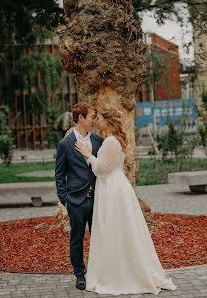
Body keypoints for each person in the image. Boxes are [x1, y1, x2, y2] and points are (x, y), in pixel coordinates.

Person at [75, 105, 177, 296]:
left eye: (100, 118)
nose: (97, 121)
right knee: (120, 229)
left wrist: (88, 154)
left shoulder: (111, 142)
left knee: (114, 230)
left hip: (112, 189)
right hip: (114, 187)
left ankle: (119, 274)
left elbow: (102, 169)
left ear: (108, 120)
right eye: (95, 118)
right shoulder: (112, 140)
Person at [55, 102, 103, 290]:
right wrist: (64, 199)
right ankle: (79, 274)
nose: (94, 121)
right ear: (81, 117)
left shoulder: (99, 141)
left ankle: (98, 272)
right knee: (76, 239)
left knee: (99, 237)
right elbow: (59, 175)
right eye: (92, 116)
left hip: (98, 199)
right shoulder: (64, 145)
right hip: (75, 200)